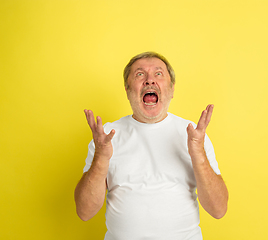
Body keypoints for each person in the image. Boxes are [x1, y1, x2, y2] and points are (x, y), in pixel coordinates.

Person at [74, 52, 229, 240]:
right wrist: (101, 157)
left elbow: (218, 209)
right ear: (127, 88)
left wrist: (198, 153)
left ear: (171, 89)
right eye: (140, 74)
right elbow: (85, 211)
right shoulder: (105, 136)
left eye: (158, 74)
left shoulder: (193, 134)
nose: (149, 80)